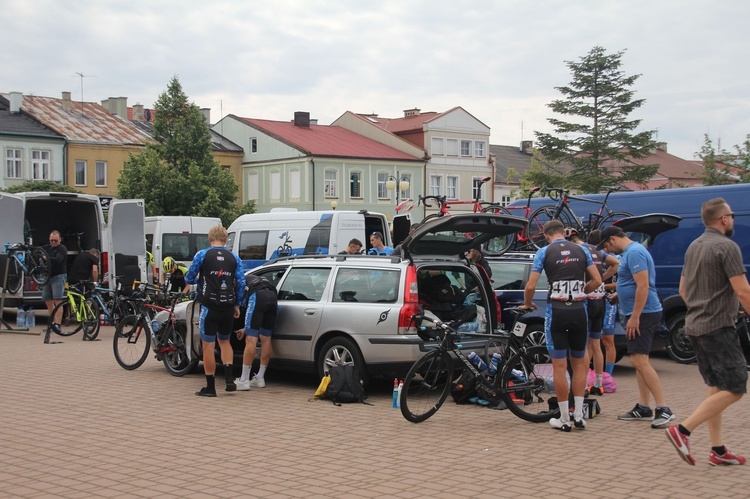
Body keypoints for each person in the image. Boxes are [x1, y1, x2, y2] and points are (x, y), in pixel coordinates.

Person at [666, 198, 750, 466]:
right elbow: (743, 290)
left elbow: (683, 290)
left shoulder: (694, 246)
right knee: (735, 387)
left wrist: (704, 306)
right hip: (718, 329)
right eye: (732, 215)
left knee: (715, 387)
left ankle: (718, 450)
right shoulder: (727, 247)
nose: (733, 219)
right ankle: (682, 430)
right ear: (724, 219)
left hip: (695, 326)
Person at [521, 220, 601, 431]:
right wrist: (582, 289)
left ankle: (564, 417)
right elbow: (598, 281)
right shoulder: (582, 250)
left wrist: (528, 304)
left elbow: (530, 286)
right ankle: (579, 416)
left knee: (559, 366)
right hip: (579, 311)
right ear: (564, 233)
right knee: (579, 364)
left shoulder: (544, 252)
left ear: (547, 235)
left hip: (556, 311)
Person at [597, 225, 675, 428]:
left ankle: (664, 409)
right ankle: (644, 407)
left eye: (606, 246)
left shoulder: (635, 253)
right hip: (636, 312)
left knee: (640, 361)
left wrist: (636, 317)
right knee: (640, 360)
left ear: (613, 239)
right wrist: (619, 295)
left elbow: (643, 286)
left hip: (644, 314)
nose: (607, 251)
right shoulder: (632, 253)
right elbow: (631, 282)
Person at [185, 225, 246, 397]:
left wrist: (199, 278)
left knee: (208, 346)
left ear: (210, 238)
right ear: (226, 240)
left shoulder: (202, 255)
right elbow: (241, 283)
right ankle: (229, 380)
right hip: (227, 306)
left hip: (209, 306)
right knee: (225, 342)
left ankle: (210, 387)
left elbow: (189, 277)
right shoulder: (234, 258)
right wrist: (237, 304)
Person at [565, 228, 619, 396]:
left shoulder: (578, 250)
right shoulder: (596, 250)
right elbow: (616, 264)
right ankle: (598, 384)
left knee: (585, 345)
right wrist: (600, 279)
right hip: (601, 300)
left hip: (588, 299)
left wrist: (590, 283)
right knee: (596, 344)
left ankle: (585, 382)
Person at [233, 274, 278, 390]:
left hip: (257, 295)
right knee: (266, 338)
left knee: (251, 339)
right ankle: (260, 378)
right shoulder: (253, 277)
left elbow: (243, 306)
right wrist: (246, 328)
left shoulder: (237, 282)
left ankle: (244, 380)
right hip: (272, 296)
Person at [42, 230, 68, 334]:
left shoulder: (62, 248)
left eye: (55, 241)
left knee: (58, 300)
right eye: (51, 240)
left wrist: (46, 258)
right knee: (47, 300)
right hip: (48, 276)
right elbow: (38, 250)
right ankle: (52, 323)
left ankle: (58, 324)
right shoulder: (47, 248)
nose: (53, 243)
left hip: (58, 276)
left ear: (60, 240)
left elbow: (58, 260)